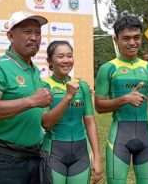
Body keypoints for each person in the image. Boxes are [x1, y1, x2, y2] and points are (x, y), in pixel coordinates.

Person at [0, 10, 53, 184]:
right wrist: (32, 101)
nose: (34, 38)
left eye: (38, 33)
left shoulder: (34, 70)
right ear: (11, 36)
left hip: (34, 156)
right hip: (3, 160)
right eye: (27, 32)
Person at [94, 15, 148, 184]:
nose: (132, 43)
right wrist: (124, 99)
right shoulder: (108, 68)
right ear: (116, 39)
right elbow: (98, 106)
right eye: (126, 39)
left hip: (146, 136)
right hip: (119, 136)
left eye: (136, 38)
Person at [41, 41, 103, 184]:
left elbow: (90, 122)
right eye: (61, 56)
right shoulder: (44, 86)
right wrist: (68, 96)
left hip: (81, 154)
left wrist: (98, 158)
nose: (66, 61)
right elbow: (46, 123)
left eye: (69, 56)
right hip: (53, 152)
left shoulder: (82, 86)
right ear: (49, 61)